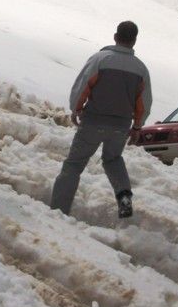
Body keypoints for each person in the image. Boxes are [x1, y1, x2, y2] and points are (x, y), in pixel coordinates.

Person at [50, 21, 152, 219]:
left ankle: (58, 211)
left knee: (74, 165)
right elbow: (144, 102)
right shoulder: (141, 69)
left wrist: (76, 109)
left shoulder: (100, 59)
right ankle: (124, 195)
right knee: (113, 159)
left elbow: (83, 86)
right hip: (120, 126)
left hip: (93, 121)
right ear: (134, 41)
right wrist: (137, 126)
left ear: (115, 37)